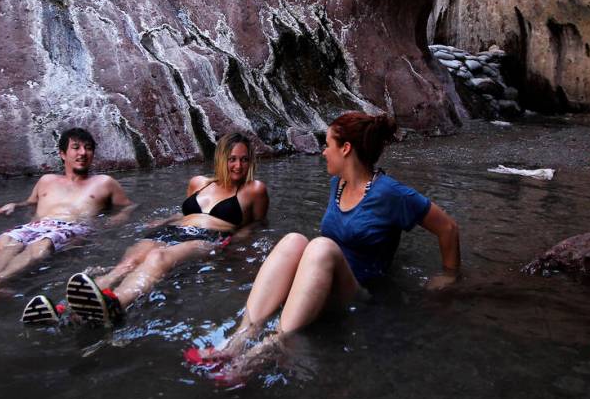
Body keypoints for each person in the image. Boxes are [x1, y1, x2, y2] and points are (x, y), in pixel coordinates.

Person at [183, 112, 460, 381]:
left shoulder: (390, 193)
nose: (323, 152)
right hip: (326, 283)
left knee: (320, 247)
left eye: (327, 145)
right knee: (294, 240)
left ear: (346, 148)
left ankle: (262, 352)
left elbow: (447, 228)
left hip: (360, 292)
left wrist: (449, 275)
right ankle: (237, 341)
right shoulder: (336, 185)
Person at [20, 132, 269, 324]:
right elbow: (189, 213)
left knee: (158, 257)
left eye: (244, 160)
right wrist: (164, 221)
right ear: (221, 158)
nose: (238, 166)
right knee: (127, 264)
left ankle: (115, 303)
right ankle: (68, 309)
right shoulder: (199, 183)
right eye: (232, 159)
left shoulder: (254, 189)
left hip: (211, 237)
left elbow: (256, 223)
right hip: (175, 230)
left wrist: (237, 241)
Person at [0, 127, 133, 295]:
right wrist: (14, 205)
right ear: (63, 154)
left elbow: (129, 206)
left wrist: (120, 216)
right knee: (7, 240)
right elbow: (30, 202)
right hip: (37, 224)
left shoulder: (104, 182)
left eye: (88, 148)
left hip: (71, 226)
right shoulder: (46, 180)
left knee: (42, 245)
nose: (83, 153)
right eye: (76, 147)